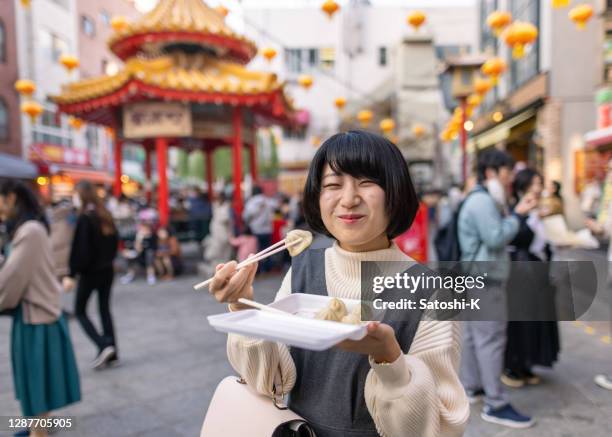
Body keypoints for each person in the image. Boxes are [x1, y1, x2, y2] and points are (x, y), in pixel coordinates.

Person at [210, 131, 469, 436]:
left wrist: (390, 358)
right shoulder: (305, 268)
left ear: (395, 192)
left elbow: (440, 427)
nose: (348, 199)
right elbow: (270, 382)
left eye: (367, 183)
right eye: (333, 185)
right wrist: (242, 307)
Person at [457, 149, 537, 429]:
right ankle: (496, 403)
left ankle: (472, 387)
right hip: (485, 279)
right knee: (490, 339)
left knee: (473, 337)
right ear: (492, 171)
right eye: (507, 172)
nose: (510, 178)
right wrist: (517, 216)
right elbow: (495, 237)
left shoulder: (478, 198)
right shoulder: (482, 202)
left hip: (473, 277)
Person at [0, 181, 81, 437]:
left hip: (36, 317)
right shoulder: (32, 227)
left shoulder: (30, 230)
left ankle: (39, 432)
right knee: (39, 385)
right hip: (40, 313)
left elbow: (11, 279)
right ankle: (38, 428)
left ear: (11, 197)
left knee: (36, 385)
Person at [503, 169, 559, 388]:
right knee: (520, 321)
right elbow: (513, 237)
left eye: (539, 183)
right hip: (520, 272)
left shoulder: (538, 209)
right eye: (534, 183)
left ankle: (527, 364)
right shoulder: (514, 208)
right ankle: (513, 366)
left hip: (538, 270)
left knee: (534, 320)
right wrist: (522, 215)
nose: (537, 187)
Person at [64, 181, 119, 369]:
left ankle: (104, 345)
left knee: (80, 311)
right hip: (107, 270)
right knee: (104, 309)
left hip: (90, 273)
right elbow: (114, 244)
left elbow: (80, 250)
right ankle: (113, 352)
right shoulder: (105, 214)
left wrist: (72, 272)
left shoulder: (85, 218)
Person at [243, 185, 277, 272]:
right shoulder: (267, 200)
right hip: (268, 229)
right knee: (268, 250)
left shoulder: (251, 202)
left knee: (257, 250)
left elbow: (245, 216)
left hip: (256, 229)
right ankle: (268, 268)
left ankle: (258, 269)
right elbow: (276, 206)